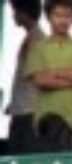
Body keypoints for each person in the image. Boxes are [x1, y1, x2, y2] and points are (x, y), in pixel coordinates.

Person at [25, 0, 72, 152]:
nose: (63, 20)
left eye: (68, 16)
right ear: (48, 17)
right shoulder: (38, 48)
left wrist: (55, 73)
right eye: (58, 15)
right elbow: (41, 81)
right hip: (46, 122)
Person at [6, 0, 44, 155]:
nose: (13, 15)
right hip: (21, 111)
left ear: (23, 13)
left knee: (22, 161)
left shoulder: (37, 39)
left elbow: (39, 77)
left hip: (29, 115)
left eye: (15, 11)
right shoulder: (31, 37)